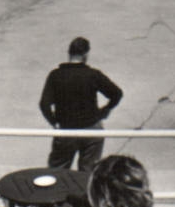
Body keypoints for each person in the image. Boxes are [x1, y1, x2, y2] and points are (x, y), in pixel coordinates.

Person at [39, 37, 123, 171]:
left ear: (69, 53)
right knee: (87, 174)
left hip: (66, 130)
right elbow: (117, 93)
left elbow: (44, 104)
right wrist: (104, 111)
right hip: (91, 129)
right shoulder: (93, 74)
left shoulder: (55, 75)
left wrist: (54, 122)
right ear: (86, 55)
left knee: (57, 171)